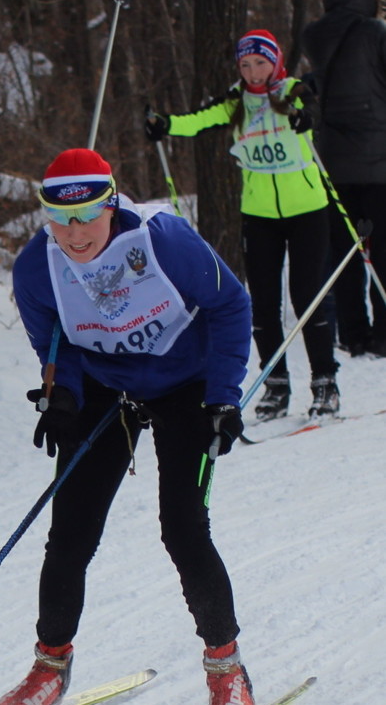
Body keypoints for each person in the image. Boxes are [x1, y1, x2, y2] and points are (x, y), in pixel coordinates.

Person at [0, 148, 255, 705]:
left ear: (111, 204)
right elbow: (56, 344)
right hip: (108, 387)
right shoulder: (35, 268)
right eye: (59, 218)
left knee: (183, 528)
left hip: (187, 386)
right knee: (70, 530)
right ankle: (49, 668)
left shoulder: (162, 240)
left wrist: (225, 396)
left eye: (87, 218)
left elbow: (230, 304)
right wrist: (64, 395)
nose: (74, 234)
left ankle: (228, 671)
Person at [145, 29, 341, 420]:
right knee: (262, 303)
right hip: (259, 215)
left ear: (275, 61)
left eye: (260, 62)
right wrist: (165, 124)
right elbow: (198, 121)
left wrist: (304, 118)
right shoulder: (237, 101)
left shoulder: (293, 90)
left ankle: (325, 382)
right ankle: (276, 385)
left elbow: (314, 112)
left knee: (307, 295)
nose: (254, 71)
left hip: (308, 211)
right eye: (246, 64)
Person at [303, 0, 386, 358]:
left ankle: (353, 333)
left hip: (334, 162)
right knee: (383, 247)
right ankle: (385, 332)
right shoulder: (376, 32)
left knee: (347, 251)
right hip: (379, 161)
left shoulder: (315, 36)